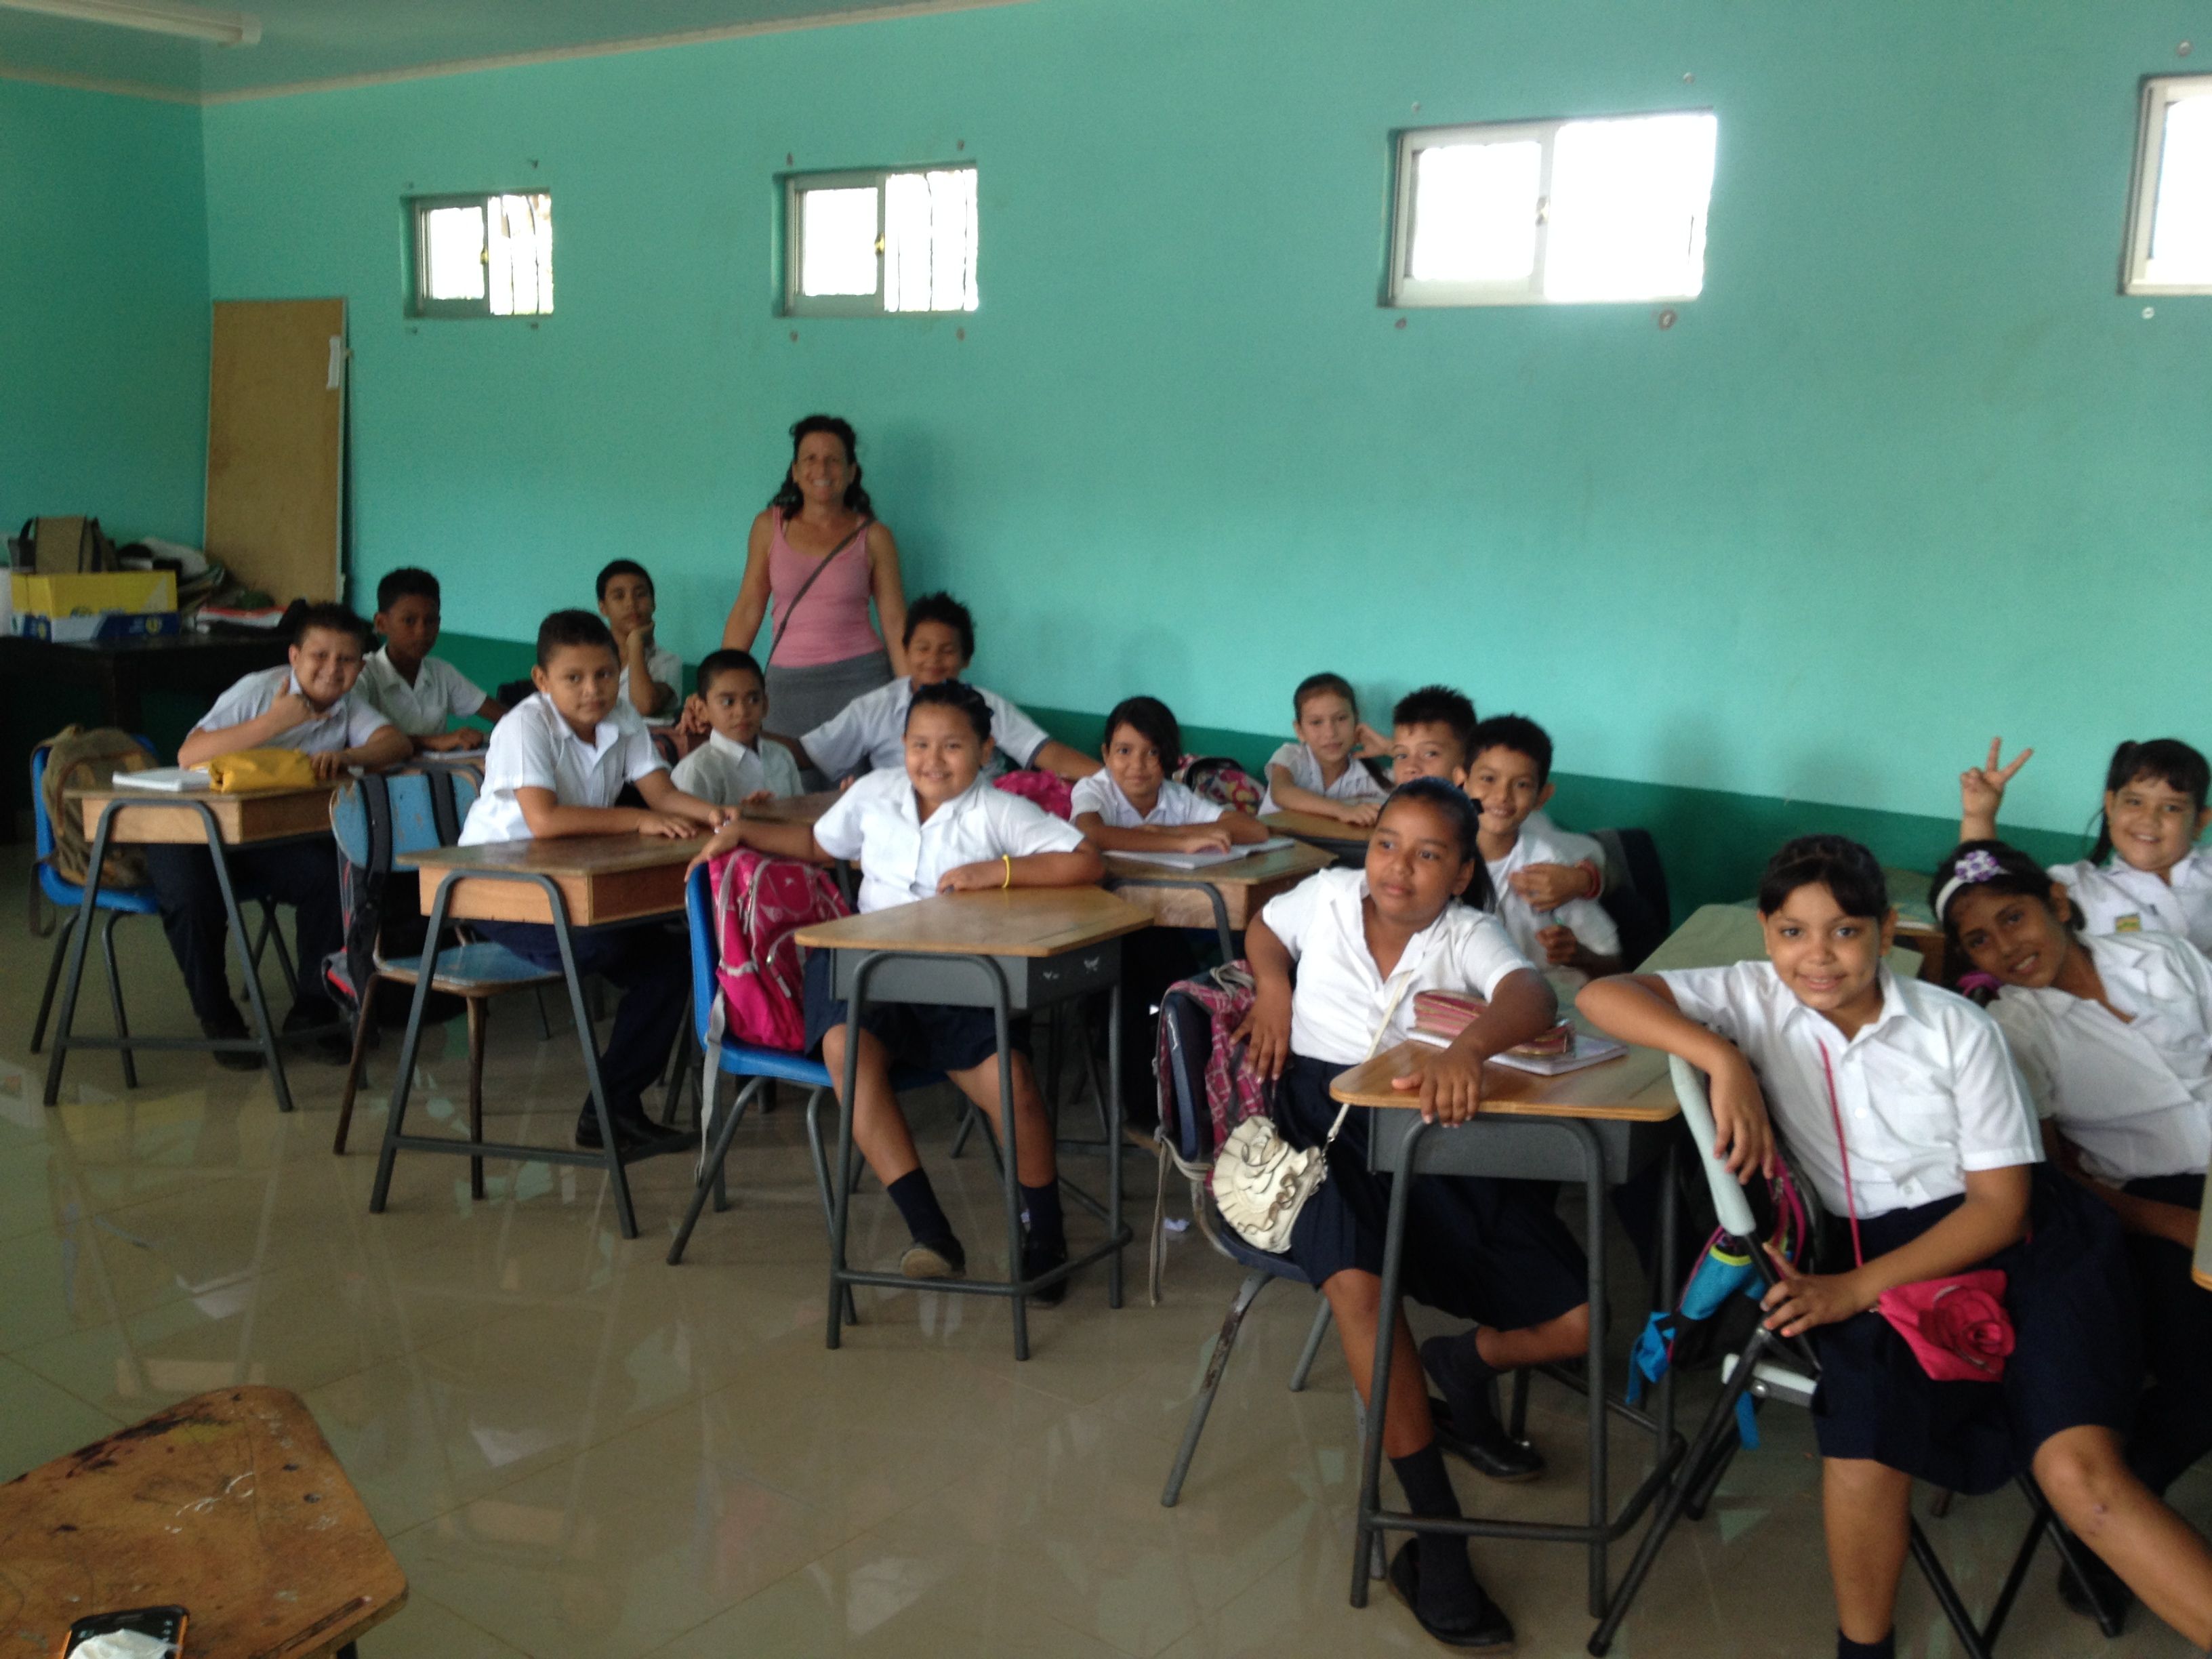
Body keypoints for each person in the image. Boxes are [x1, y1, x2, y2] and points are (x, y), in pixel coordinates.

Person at [1578, 835, 2212, 1659]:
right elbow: (1604, 997)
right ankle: (1863, 1650)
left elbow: (1999, 1208)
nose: (1819, 956)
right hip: (1865, 1246)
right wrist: (1716, 1054)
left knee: (2082, 1478)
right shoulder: (1749, 995)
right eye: (1794, 932)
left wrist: (1854, 1290)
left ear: (1886, 931)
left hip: (2023, 1244)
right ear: (1767, 935)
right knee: (1867, 1440)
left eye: (1845, 930)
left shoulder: (1958, 1031)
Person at [1237, 778, 1589, 1652]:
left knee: (1585, 1318)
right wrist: (1272, 986)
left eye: (1430, 853)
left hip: (1427, 1145)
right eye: (1389, 843)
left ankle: (1458, 1363)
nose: (1399, 868)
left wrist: (1468, 1048)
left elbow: (1532, 998)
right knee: (1361, 1285)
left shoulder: (1466, 932)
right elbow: (1261, 927)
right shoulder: (1323, 897)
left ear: (1463, 871)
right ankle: (1433, 1525)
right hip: (1320, 1132)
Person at [685, 682, 1104, 1300]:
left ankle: (1044, 1232)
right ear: (900, 746)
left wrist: (999, 872)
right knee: (847, 1054)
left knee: (1013, 1085)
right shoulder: (876, 794)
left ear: (987, 750)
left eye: (953, 746)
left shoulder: (998, 810)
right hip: (866, 969)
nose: (933, 760)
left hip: (958, 978)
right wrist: (743, 831)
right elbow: (815, 845)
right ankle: (931, 1232)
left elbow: (1086, 861)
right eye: (919, 745)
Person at [1935, 838, 2212, 1622]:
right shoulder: (2016, 1034)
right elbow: (2058, 1183)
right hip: (2146, 1209)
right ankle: (2114, 1526)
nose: (2006, 947)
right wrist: (2178, 1224)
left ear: (2057, 905)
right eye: (1981, 939)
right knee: (2198, 1385)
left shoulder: (2158, 956)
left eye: (2015, 917)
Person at [459, 610, 729, 1153]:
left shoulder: (623, 716)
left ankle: (610, 1111)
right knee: (612, 941)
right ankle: (614, 1110)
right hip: (499, 890)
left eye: (605, 675)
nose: (593, 690)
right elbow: (546, 820)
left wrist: (719, 818)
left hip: (571, 886)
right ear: (542, 681)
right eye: (574, 678)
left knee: (674, 961)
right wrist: (636, 820)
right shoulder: (524, 726)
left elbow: (663, 794)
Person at [152, 602, 411, 1068]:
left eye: (347, 660)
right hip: (193, 831)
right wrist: (275, 722)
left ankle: (312, 1011)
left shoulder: (346, 705)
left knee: (330, 875)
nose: (333, 670)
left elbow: (396, 744)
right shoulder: (259, 690)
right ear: (294, 657)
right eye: (320, 656)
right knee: (192, 898)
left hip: (262, 838)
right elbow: (189, 754)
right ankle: (218, 1017)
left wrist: (350, 755)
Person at [720, 415, 909, 744]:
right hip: (787, 688)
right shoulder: (768, 528)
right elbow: (749, 608)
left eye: (833, 460)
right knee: (786, 785)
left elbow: (895, 623)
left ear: (852, 472)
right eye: (810, 459)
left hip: (862, 682)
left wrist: (915, 697)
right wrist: (720, 683)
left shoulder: (875, 537)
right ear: (795, 471)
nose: (821, 470)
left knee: (862, 790)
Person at [777, 592, 1098, 784]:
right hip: (902, 821)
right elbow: (811, 753)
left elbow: (1044, 752)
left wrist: (1115, 781)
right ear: (906, 651)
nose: (933, 660)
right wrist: (734, 737)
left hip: (981, 819)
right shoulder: (874, 707)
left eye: (947, 651)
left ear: (966, 658)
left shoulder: (985, 704)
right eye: (923, 648)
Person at [1959, 737, 2212, 949]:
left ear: (2200, 822)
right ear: (2111, 806)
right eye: (2135, 802)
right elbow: (1987, 894)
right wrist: (1979, 816)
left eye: (2171, 807)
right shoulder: (2077, 888)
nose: (2149, 819)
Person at [1384, 684, 1602, 913]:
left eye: (1430, 754)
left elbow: (1597, 854)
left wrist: (1582, 879)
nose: (1411, 767)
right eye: (1401, 756)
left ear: (1465, 766)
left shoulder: (1502, 817)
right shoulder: (1403, 810)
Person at [1465, 714, 1621, 978]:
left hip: (1549, 1000)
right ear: (1462, 782)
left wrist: (1578, 955)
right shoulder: (1437, 856)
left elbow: (1615, 964)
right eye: (1488, 779)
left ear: (1542, 797)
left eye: (1522, 784)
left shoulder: (1550, 868)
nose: (1502, 796)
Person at [1069, 695, 1267, 853]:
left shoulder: (1177, 797)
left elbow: (1255, 830)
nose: (1137, 765)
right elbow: (1089, 833)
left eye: (1153, 753)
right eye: (1124, 751)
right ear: (1106, 755)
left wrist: (1168, 831)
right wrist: (1179, 843)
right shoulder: (1094, 789)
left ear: (1169, 757)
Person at [354, 567, 508, 752]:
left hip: (436, 777)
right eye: (409, 621)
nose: (422, 632)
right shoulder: (363, 674)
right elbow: (357, 736)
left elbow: (506, 716)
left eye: (430, 621)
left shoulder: (441, 673)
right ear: (381, 623)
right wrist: (435, 741)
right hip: (379, 779)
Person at [670, 649, 804, 807]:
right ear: (702, 710)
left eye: (754, 699)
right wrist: (743, 819)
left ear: (765, 705)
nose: (742, 712)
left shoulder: (781, 756)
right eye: (728, 702)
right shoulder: (698, 769)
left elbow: (799, 811)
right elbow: (688, 829)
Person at [1258, 671, 1387, 823]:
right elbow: (1281, 792)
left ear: (1356, 720)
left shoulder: (1366, 774)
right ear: (1300, 730)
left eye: (1341, 719)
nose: (1330, 733)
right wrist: (1342, 810)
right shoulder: (1293, 756)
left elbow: (1418, 786)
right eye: (1316, 722)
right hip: (1273, 841)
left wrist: (1389, 748)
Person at [596, 558, 680, 725]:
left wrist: (635, 645)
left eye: (640, 594)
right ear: (603, 608)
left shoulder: (667, 661)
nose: (631, 604)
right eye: (619, 596)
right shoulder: (591, 658)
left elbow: (644, 705)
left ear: (653, 603)